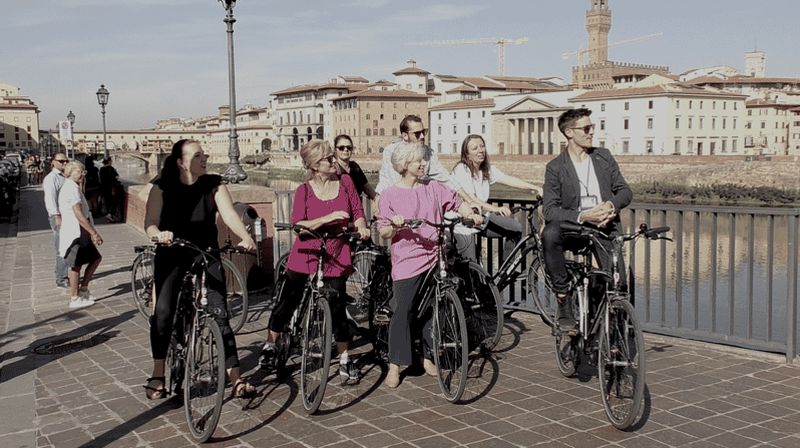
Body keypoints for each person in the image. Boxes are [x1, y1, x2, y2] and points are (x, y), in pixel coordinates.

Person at [143, 139, 257, 400]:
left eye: (204, 154)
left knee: (220, 313)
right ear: (181, 162)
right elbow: (150, 222)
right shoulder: (162, 186)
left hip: (206, 253)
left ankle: (236, 379)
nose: (204, 158)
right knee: (163, 312)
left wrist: (245, 237)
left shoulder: (214, 184)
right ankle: (158, 372)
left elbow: (228, 215)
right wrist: (158, 235)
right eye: (197, 155)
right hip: (172, 253)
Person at [259, 139, 370, 385]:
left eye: (333, 157)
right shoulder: (304, 191)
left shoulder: (346, 182)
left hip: (336, 251)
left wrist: (361, 226)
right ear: (314, 165)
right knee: (287, 300)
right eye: (328, 159)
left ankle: (344, 358)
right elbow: (299, 225)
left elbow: (358, 212)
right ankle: (270, 344)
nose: (334, 161)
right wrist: (328, 217)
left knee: (337, 306)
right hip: (307, 250)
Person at [377, 142, 483, 388]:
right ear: (405, 165)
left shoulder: (434, 188)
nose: (424, 164)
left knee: (432, 309)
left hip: (435, 255)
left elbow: (457, 202)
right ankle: (395, 365)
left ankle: (426, 356)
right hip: (407, 259)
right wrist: (394, 225)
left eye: (424, 160)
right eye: (418, 162)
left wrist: (472, 212)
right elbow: (383, 231)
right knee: (404, 310)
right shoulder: (391, 194)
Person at [542, 108, 632, 332]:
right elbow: (550, 210)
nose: (592, 132)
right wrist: (584, 215)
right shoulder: (555, 167)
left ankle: (612, 337)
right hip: (575, 229)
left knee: (618, 284)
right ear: (569, 132)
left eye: (592, 127)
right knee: (549, 233)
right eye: (586, 128)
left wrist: (611, 205)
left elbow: (625, 191)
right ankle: (563, 297)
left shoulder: (603, 157)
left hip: (604, 229)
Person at [450, 134, 540, 262]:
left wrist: (535, 187)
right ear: (467, 154)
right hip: (464, 223)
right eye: (475, 148)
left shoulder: (485, 170)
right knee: (470, 266)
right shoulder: (462, 169)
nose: (481, 150)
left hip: (482, 219)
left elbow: (508, 179)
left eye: (482, 146)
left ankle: (506, 272)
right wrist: (495, 208)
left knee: (515, 229)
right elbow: (471, 198)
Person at [375, 115, 481, 207]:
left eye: (424, 132)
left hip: (417, 204)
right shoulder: (391, 151)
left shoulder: (428, 152)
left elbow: (447, 179)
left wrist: (469, 201)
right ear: (405, 135)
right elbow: (392, 182)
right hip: (392, 203)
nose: (422, 136)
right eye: (417, 134)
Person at [58, 161, 103, 308]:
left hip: (81, 233)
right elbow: (78, 213)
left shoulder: (74, 187)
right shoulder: (71, 188)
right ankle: (74, 297)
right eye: (79, 172)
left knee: (95, 258)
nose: (82, 175)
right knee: (76, 265)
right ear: (70, 172)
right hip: (75, 233)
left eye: (83, 172)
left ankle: (83, 289)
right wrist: (93, 233)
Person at [43, 152, 69, 288]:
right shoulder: (51, 178)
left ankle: (61, 273)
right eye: (61, 161)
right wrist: (56, 216)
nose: (64, 163)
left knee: (65, 246)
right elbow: (50, 200)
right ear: (53, 162)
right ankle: (61, 278)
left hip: (66, 216)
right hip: (58, 216)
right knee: (62, 248)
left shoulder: (64, 176)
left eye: (66, 161)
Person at [333, 134, 377, 203]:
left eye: (349, 147)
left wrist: (379, 200)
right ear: (335, 149)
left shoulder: (355, 167)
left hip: (357, 210)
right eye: (341, 148)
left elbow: (369, 190)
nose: (346, 149)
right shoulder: (332, 169)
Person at [99, 157, 120, 222]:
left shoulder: (101, 169)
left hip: (104, 188)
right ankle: (110, 214)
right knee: (113, 202)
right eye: (111, 161)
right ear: (109, 161)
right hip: (111, 188)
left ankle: (109, 216)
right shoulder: (111, 168)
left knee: (107, 202)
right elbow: (116, 177)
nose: (111, 162)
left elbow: (101, 179)